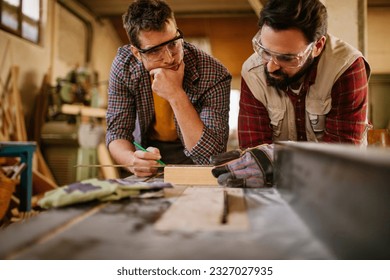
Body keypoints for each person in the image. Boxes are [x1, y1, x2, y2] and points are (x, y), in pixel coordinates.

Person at [211, 0, 370, 188]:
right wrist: (262, 160)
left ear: (317, 46)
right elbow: (256, 150)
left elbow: (340, 156)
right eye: (264, 50)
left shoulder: (346, 67)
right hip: (278, 184)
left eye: (286, 58)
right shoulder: (252, 71)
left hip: (336, 184)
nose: (270, 66)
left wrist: (280, 160)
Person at [106, 0, 232, 177]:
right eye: (154, 51)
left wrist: (176, 94)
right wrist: (132, 161)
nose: (169, 58)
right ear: (137, 53)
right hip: (146, 151)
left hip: (194, 159)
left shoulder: (214, 73)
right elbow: (116, 132)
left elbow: (210, 157)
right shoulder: (124, 66)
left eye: (173, 43)